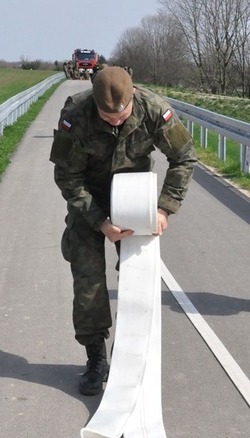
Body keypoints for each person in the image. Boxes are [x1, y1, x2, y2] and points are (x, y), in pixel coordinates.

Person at [49, 66, 197, 395]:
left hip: (133, 199)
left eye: (121, 115)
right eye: (107, 116)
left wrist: (163, 208)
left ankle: (130, 354)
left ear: (132, 99)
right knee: (88, 282)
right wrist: (100, 221)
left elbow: (185, 157)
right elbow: (66, 178)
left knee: (136, 280)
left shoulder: (154, 109)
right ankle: (95, 359)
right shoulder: (76, 115)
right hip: (88, 201)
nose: (115, 122)